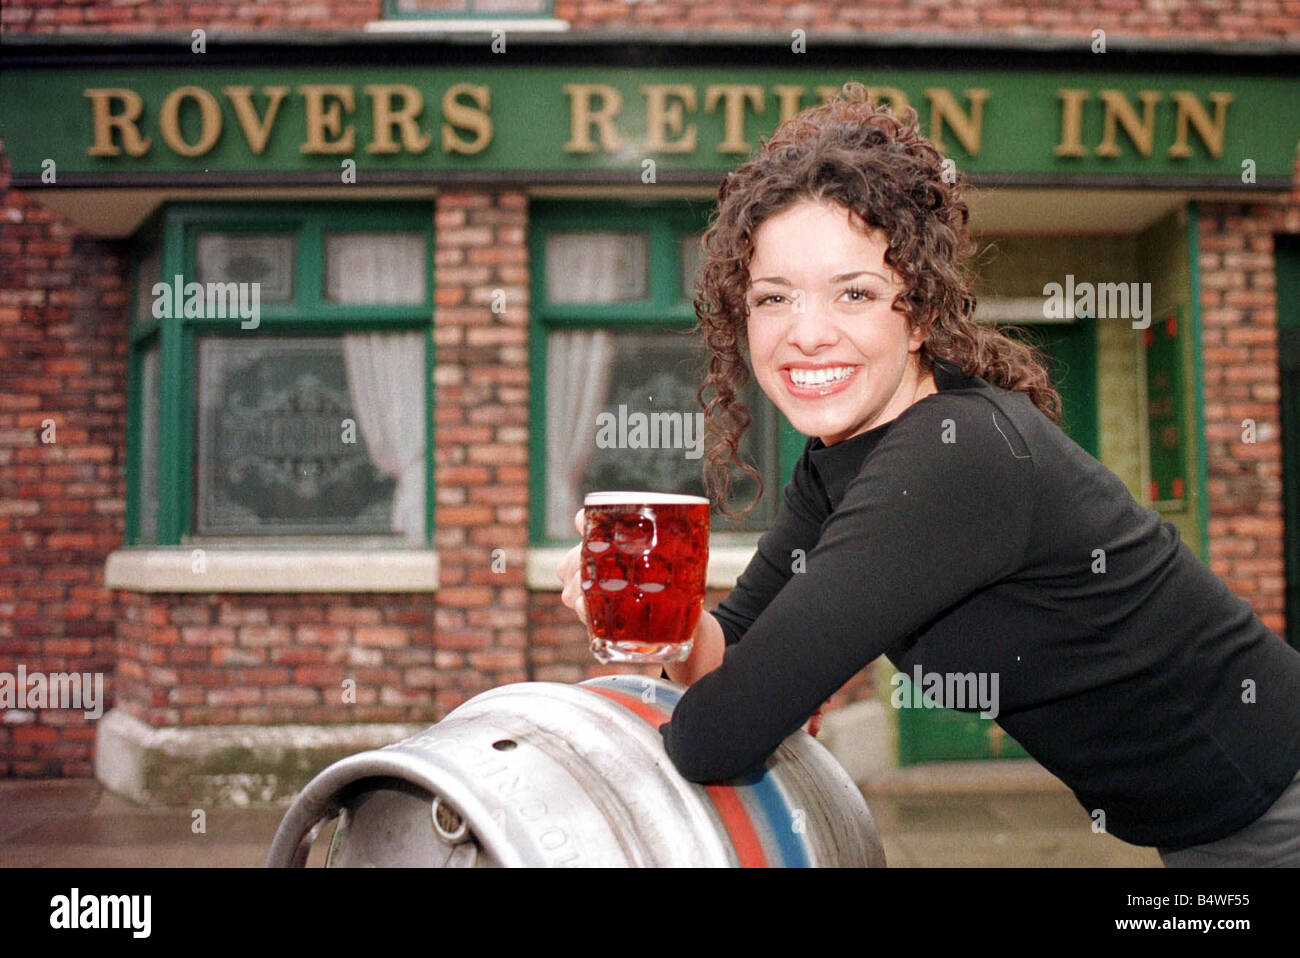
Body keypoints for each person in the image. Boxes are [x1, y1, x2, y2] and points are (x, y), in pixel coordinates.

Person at [558, 81, 1300, 866]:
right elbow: (732, 660)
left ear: (915, 314)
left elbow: (717, 736)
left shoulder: (953, 455)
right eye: (774, 298)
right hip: (1206, 830)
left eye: (855, 293)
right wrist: (662, 613)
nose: (807, 334)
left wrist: (708, 687)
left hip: (1271, 811)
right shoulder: (837, 464)